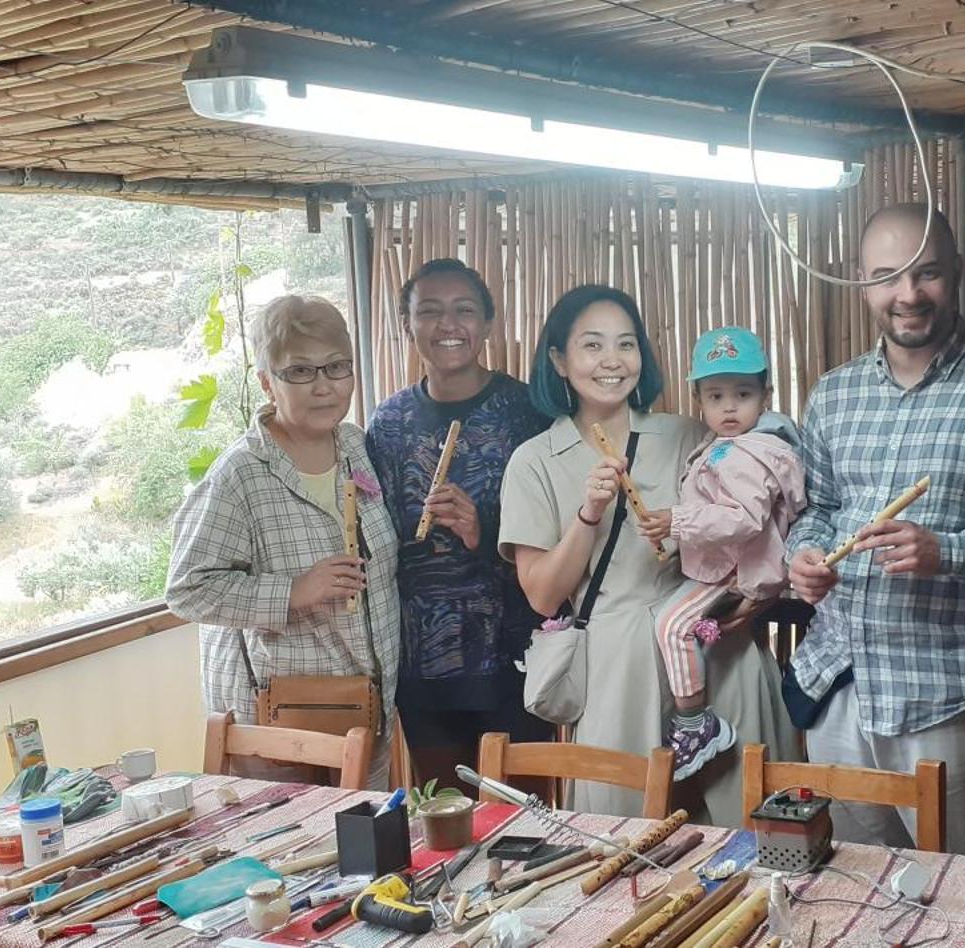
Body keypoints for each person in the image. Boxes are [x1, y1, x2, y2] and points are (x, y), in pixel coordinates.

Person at [785, 204, 965, 857]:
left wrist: (950, 552)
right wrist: (802, 552)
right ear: (862, 283)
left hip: (942, 694)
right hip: (838, 684)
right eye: (888, 276)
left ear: (957, 276)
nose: (908, 295)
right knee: (856, 882)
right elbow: (817, 507)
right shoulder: (834, 393)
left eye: (928, 274)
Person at [498, 285, 799, 822]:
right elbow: (543, 595)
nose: (612, 361)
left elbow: (760, 520)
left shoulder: (690, 435)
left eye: (626, 344)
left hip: (716, 649)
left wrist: (756, 599)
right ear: (559, 361)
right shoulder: (534, 461)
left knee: (753, 828)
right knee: (625, 836)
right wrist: (589, 513)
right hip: (619, 667)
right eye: (592, 346)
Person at [166, 295, 401, 790]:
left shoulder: (356, 445)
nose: (323, 386)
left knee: (366, 851)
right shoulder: (241, 474)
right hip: (281, 721)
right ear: (267, 382)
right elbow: (188, 590)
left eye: (337, 367)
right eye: (300, 371)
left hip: (367, 710)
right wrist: (294, 591)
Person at [367, 259, 554, 794]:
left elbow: (562, 532)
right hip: (423, 661)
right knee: (447, 818)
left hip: (512, 654)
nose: (448, 324)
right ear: (407, 325)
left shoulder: (528, 412)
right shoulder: (389, 422)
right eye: (429, 311)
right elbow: (379, 540)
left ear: (488, 323)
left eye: (464, 310)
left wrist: (483, 529)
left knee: (526, 820)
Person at [652, 326, 806, 781]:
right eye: (716, 396)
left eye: (743, 393)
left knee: (671, 624)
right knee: (700, 627)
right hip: (728, 566)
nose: (730, 406)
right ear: (699, 399)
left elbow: (743, 519)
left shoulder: (747, 452)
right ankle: (707, 643)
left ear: (766, 394)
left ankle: (697, 722)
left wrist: (677, 521)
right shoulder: (724, 447)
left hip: (732, 570)